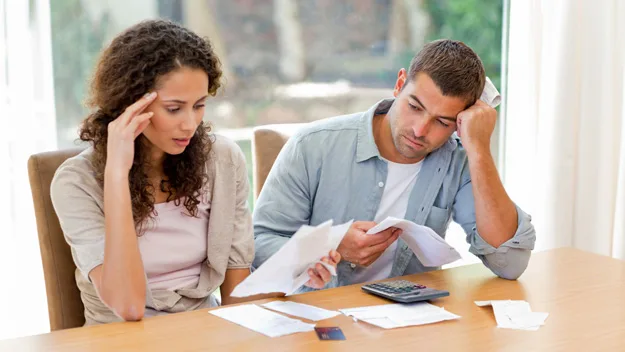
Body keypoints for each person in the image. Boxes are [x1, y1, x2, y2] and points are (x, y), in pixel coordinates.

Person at [51, 19, 339, 325]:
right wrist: (116, 175)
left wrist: (294, 273)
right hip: (117, 339)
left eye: (199, 105)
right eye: (174, 109)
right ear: (130, 104)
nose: (190, 124)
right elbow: (129, 307)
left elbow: (236, 297)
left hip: (203, 333)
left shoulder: (222, 160)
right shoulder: (76, 182)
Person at [253, 39, 536, 290]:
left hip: (407, 326)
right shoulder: (312, 145)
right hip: (318, 326)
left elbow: (509, 264)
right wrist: (329, 243)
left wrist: (480, 150)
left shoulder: (457, 162)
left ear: (460, 123)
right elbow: (257, 245)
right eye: (414, 107)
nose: (420, 130)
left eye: (442, 121)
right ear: (400, 84)